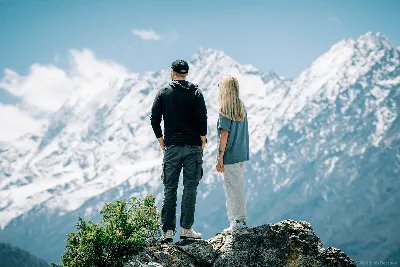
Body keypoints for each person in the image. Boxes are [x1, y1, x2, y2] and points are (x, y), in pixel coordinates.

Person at [150, 59, 208, 243]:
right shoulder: (196, 92)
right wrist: (202, 139)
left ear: (172, 72)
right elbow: (202, 117)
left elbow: (154, 119)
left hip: (172, 147)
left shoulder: (163, 93)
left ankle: (167, 233)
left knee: (170, 189)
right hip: (193, 147)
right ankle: (186, 230)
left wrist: (162, 141)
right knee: (190, 188)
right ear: (186, 73)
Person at [215, 75, 250, 232]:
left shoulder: (225, 109)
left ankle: (237, 221)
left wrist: (220, 157)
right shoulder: (241, 107)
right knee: (238, 186)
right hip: (242, 154)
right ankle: (239, 219)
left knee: (232, 189)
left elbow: (224, 136)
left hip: (230, 155)